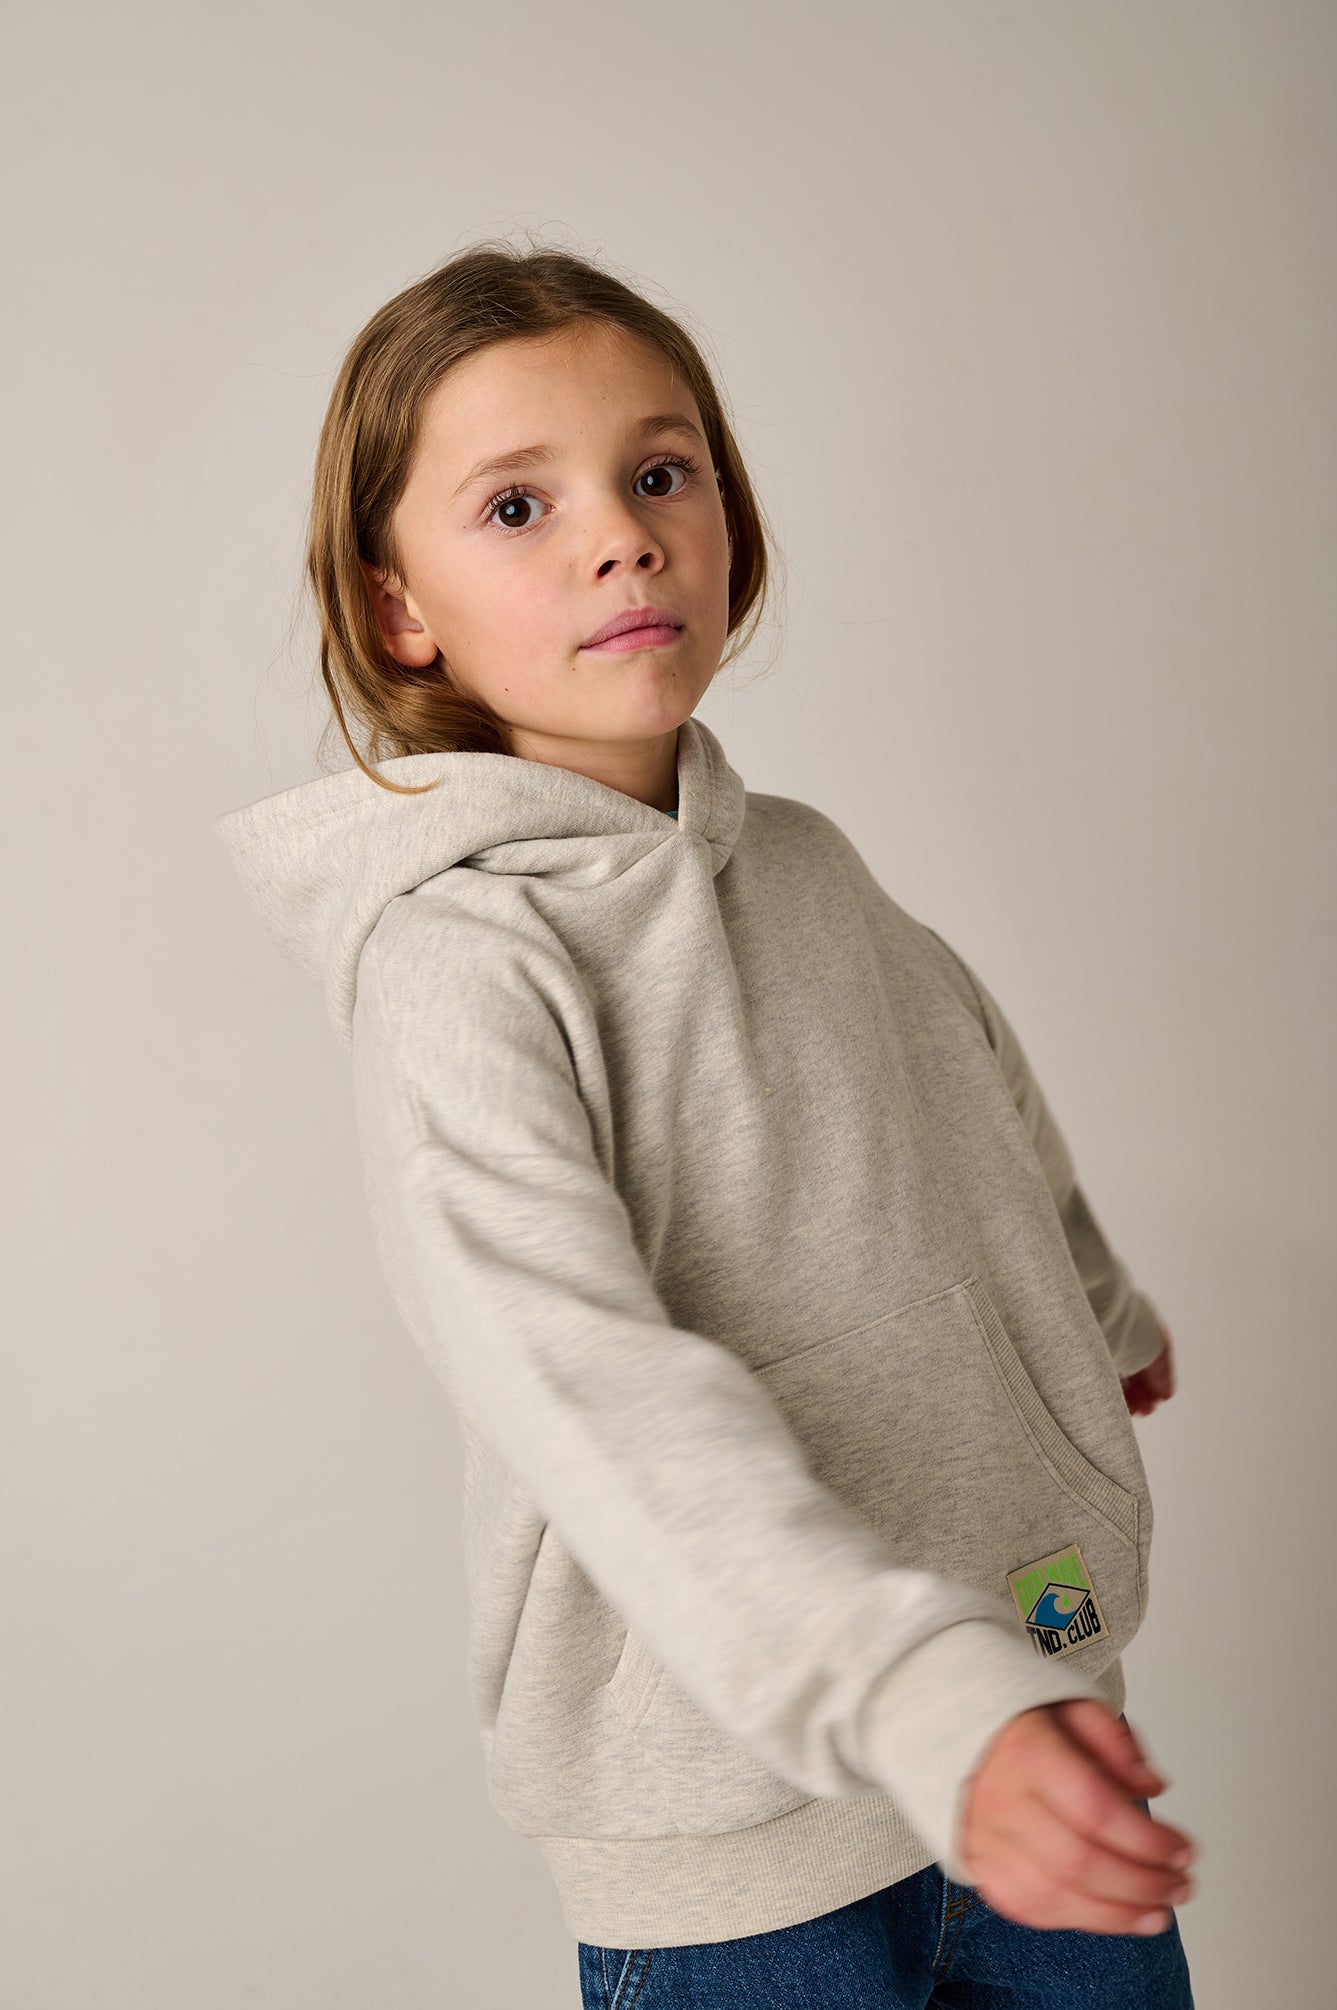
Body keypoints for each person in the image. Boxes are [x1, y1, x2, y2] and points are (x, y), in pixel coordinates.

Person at [214, 238, 1198, 2006]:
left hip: (1026, 1724)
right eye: (518, 506)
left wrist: (1093, 1306)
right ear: (397, 608)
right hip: (747, 1848)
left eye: (660, 473)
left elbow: (966, 1078)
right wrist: (919, 1697)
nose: (620, 535)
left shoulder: (804, 859)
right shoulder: (464, 963)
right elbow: (581, 1380)